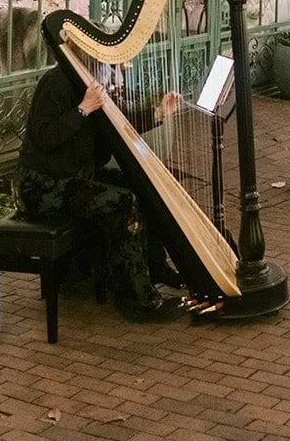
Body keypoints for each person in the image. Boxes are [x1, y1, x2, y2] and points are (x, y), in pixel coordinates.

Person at [15, 63, 186, 322]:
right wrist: (82, 110)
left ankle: (155, 266)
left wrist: (159, 112)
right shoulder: (57, 82)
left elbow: (119, 123)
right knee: (122, 202)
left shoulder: (91, 83)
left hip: (76, 177)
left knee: (141, 185)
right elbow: (44, 136)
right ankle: (137, 301)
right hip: (40, 185)